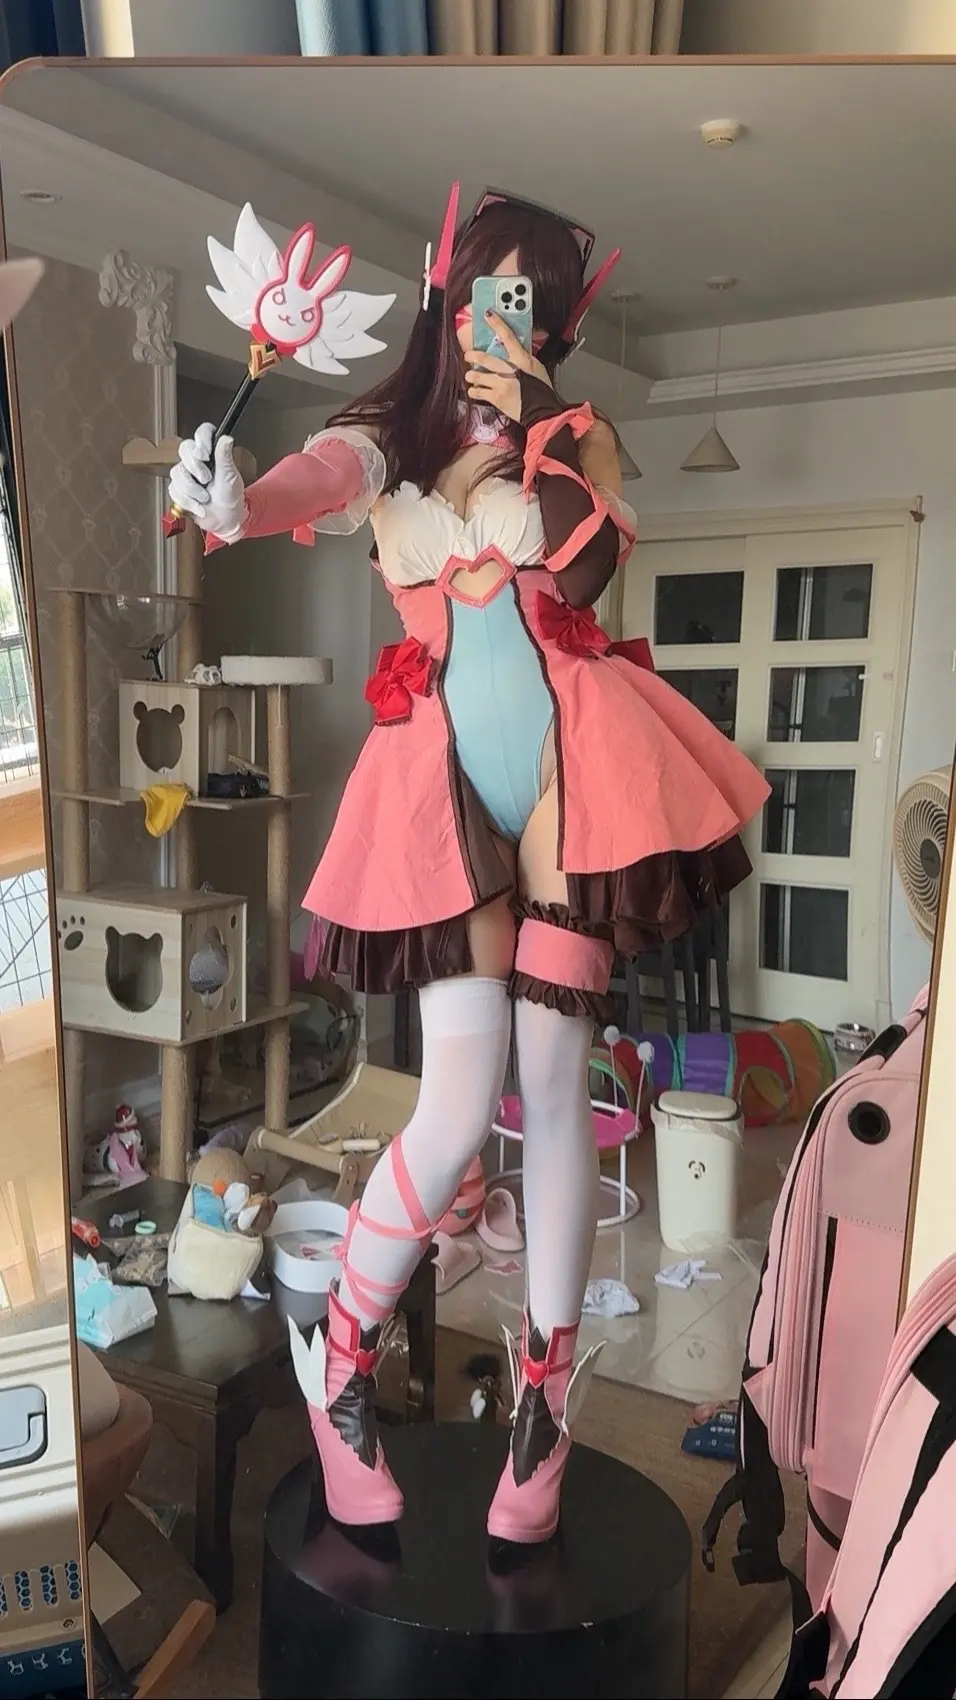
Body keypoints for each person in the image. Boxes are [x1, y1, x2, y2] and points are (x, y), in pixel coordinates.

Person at [169, 185, 769, 1543]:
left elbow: (589, 569)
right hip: (440, 786)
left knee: (553, 1085)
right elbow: (310, 485)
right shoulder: (388, 437)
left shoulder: (581, 433)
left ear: (557, 322)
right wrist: (236, 498)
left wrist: (548, 416)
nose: (509, 316)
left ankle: (545, 1413)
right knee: (452, 1108)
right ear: (447, 293)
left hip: (574, 774)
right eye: (493, 289)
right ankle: (340, 1371)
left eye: (534, 301)